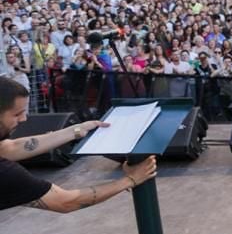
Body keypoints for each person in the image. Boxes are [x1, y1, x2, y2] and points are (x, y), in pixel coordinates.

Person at [0, 77, 157, 212]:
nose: (23, 119)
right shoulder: (5, 172)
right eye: (16, 114)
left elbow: (9, 148)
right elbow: (65, 201)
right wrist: (131, 179)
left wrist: (75, 130)